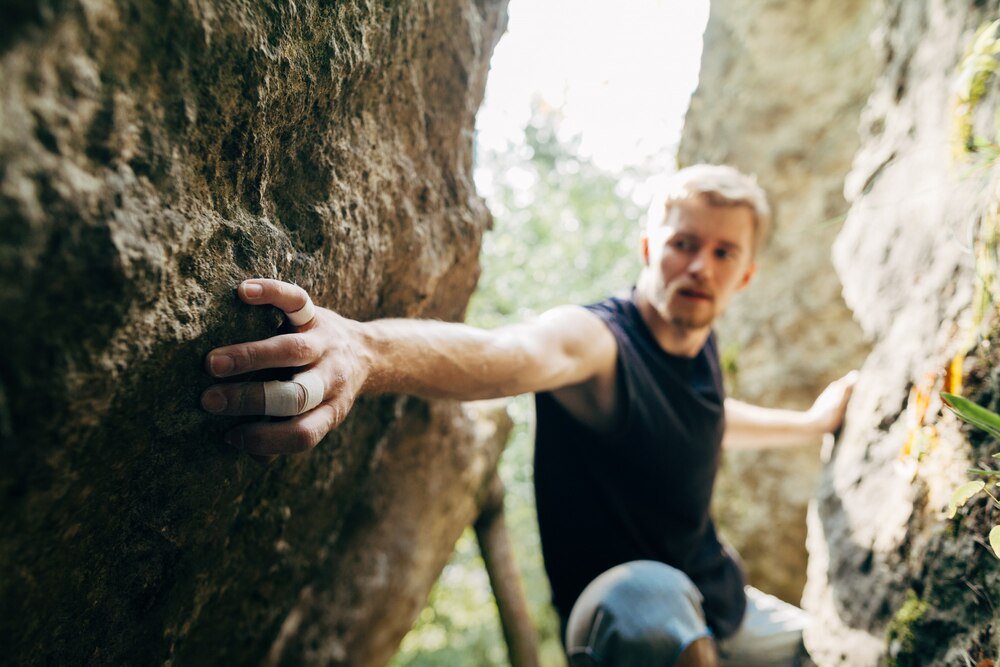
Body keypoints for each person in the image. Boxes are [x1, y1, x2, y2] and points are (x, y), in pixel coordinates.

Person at [200, 164, 855, 666]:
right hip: (626, 617)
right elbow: (505, 351)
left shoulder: (698, 348)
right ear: (650, 247)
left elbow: (707, 420)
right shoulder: (600, 342)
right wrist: (366, 349)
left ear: (744, 275)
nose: (699, 266)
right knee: (646, 605)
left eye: (722, 253)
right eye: (685, 243)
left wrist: (811, 423)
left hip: (726, 603)